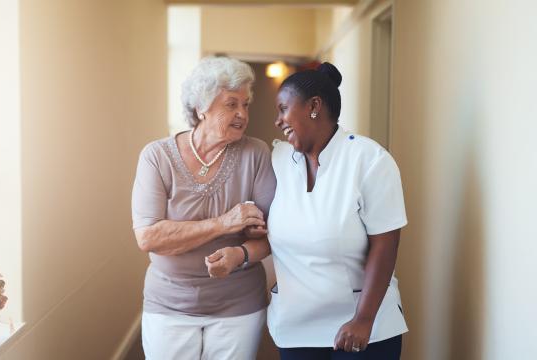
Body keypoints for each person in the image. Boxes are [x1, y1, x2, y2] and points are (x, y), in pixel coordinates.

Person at [131, 56, 276, 360]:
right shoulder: (157, 157)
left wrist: (240, 253)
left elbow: (271, 235)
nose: (242, 114)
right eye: (231, 104)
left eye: (245, 104)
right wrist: (225, 223)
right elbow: (149, 238)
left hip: (238, 305)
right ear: (201, 108)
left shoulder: (256, 153)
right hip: (169, 304)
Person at [267, 62, 408, 360]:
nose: (278, 121)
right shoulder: (279, 159)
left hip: (362, 327)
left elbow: (385, 244)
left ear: (314, 106)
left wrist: (364, 319)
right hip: (295, 328)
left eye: (283, 109)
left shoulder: (369, 160)